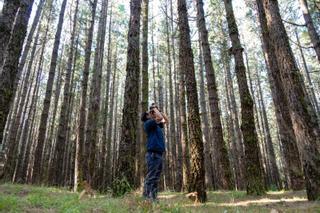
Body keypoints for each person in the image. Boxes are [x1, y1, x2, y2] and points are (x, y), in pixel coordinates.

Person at [141, 104, 166, 202]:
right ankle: (147, 198)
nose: (152, 113)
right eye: (149, 113)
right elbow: (159, 117)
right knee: (151, 177)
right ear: (147, 117)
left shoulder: (156, 124)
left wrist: (158, 109)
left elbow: (165, 120)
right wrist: (154, 109)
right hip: (153, 154)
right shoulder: (148, 123)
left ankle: (153, 198)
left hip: (158, 154)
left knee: (155, 177)